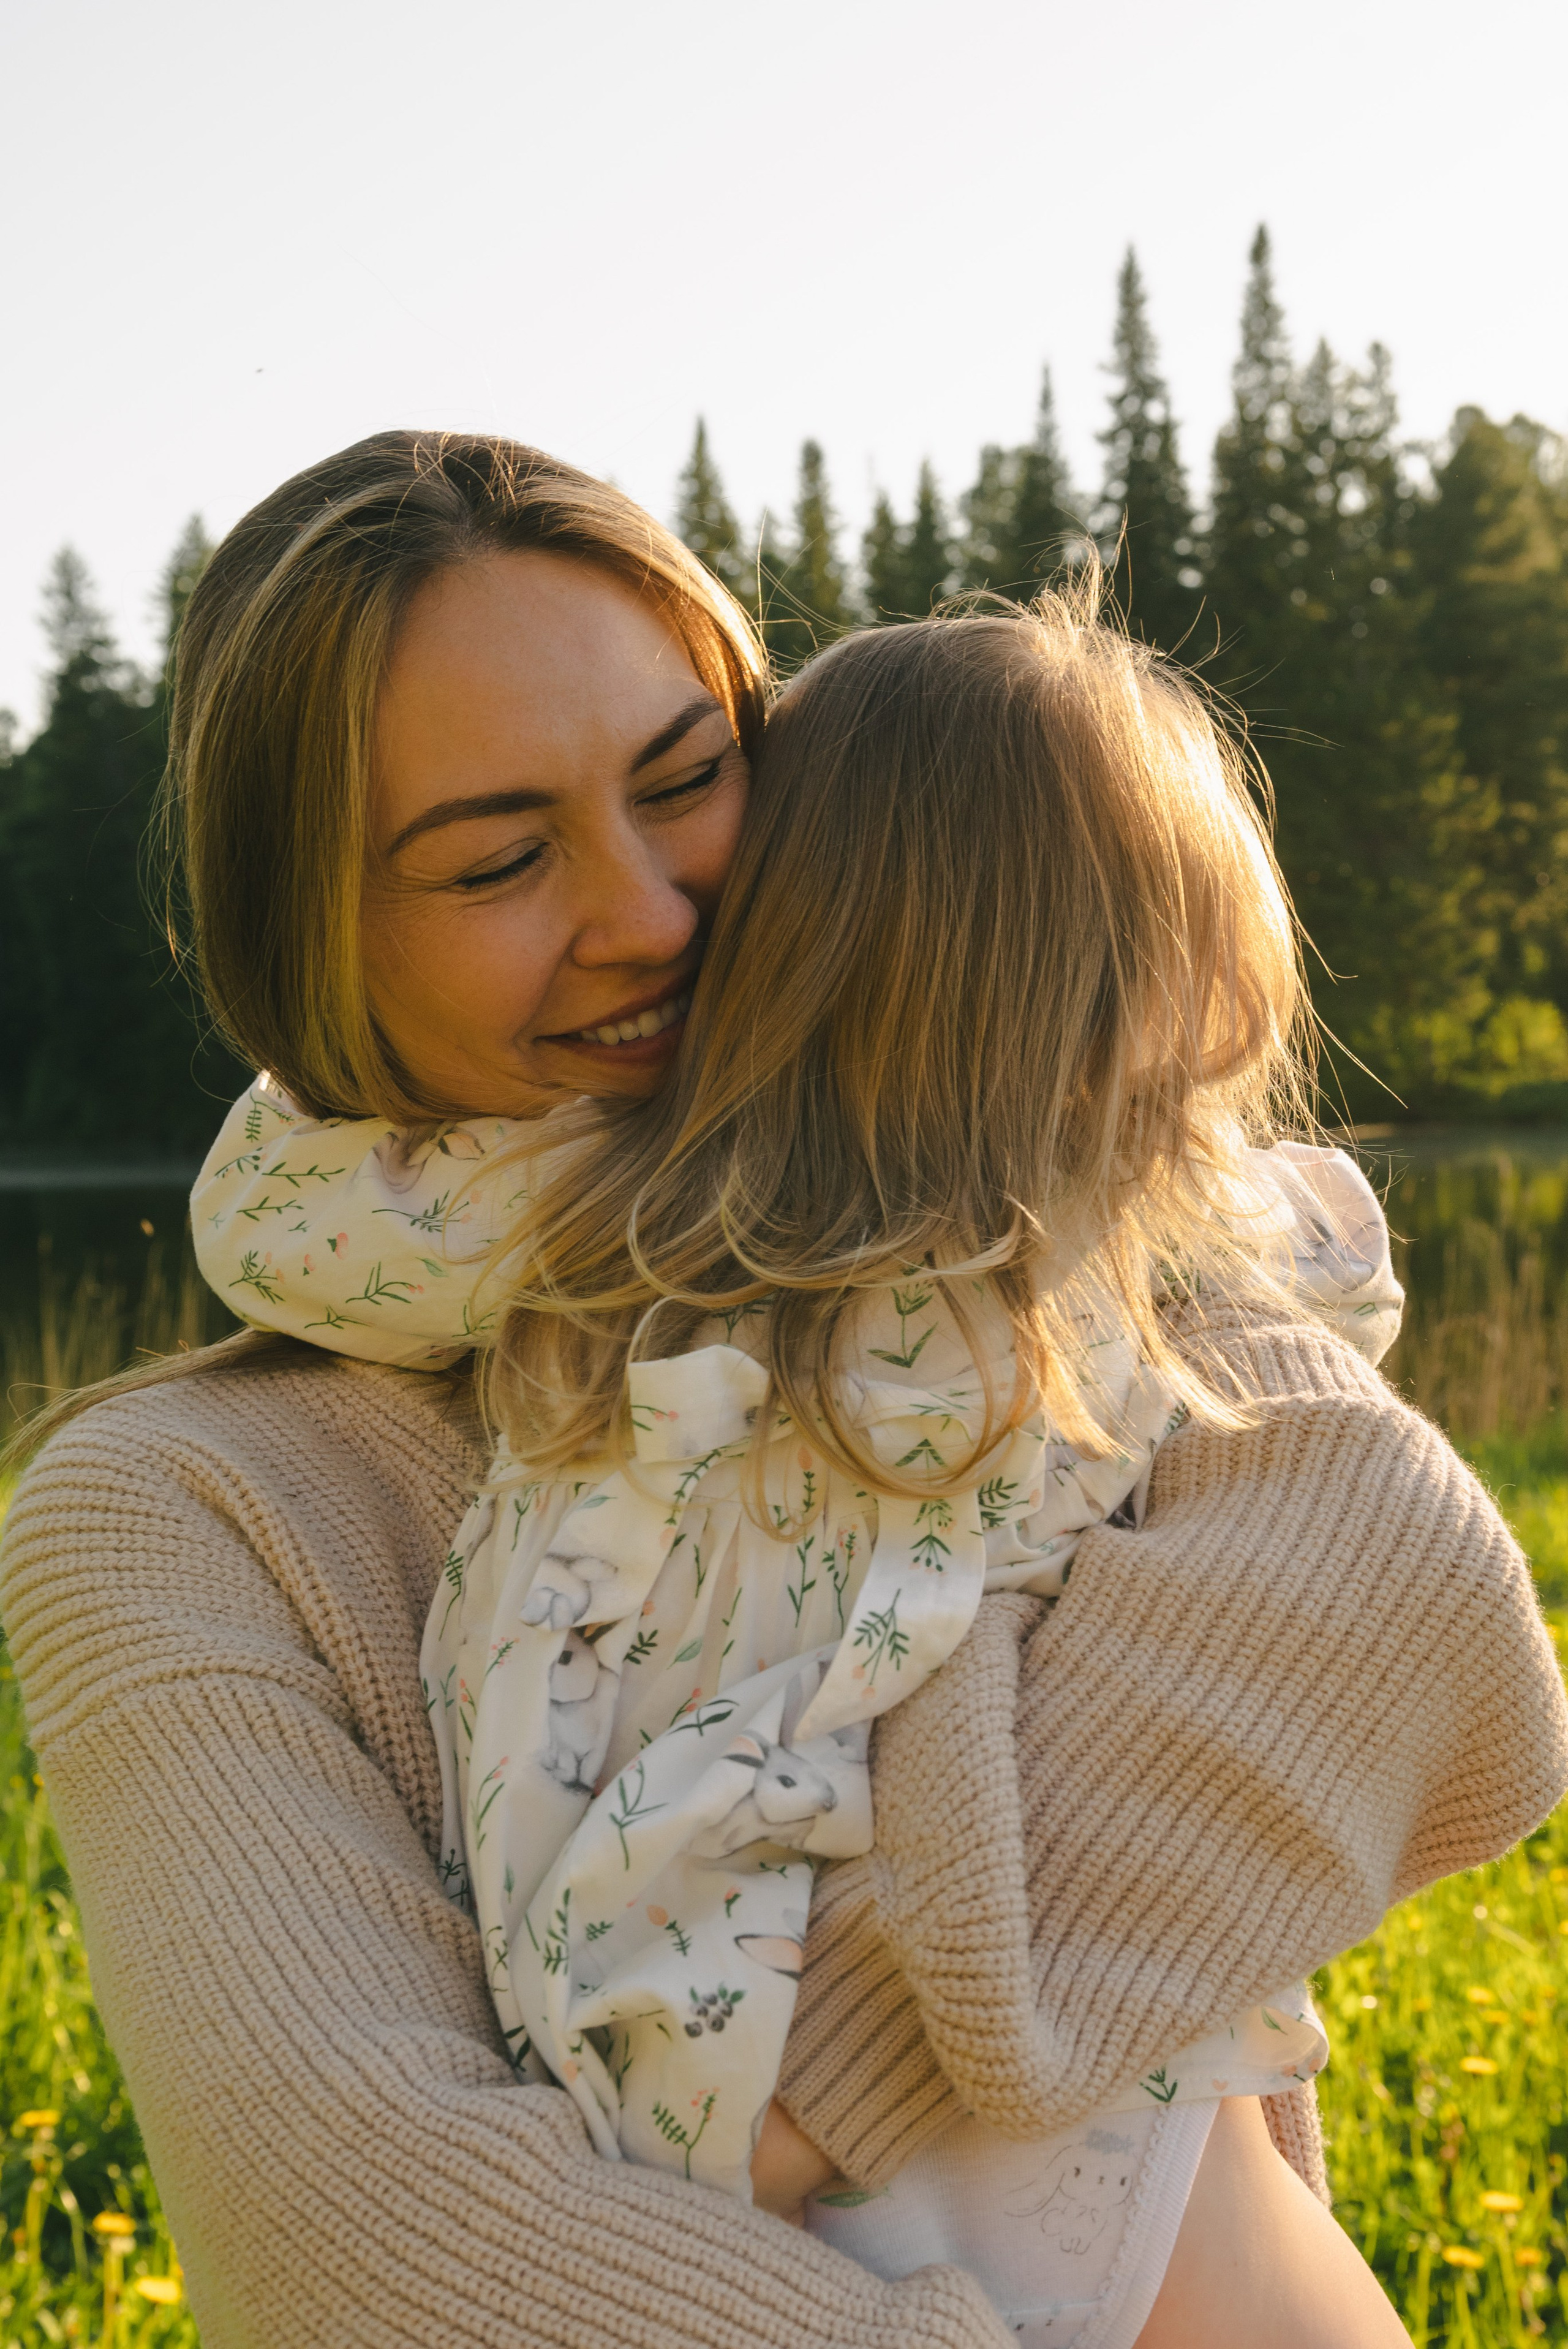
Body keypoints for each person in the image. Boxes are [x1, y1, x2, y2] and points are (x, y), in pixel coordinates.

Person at [2, 431, 1562, 2349]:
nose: (654, 911)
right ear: (305, 935)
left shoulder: (1020, 1217)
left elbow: (1387, 1586)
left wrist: (827, 2042)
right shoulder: (178, 1497)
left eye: (693, 778)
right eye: (499, 856)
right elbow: (373, 2249)